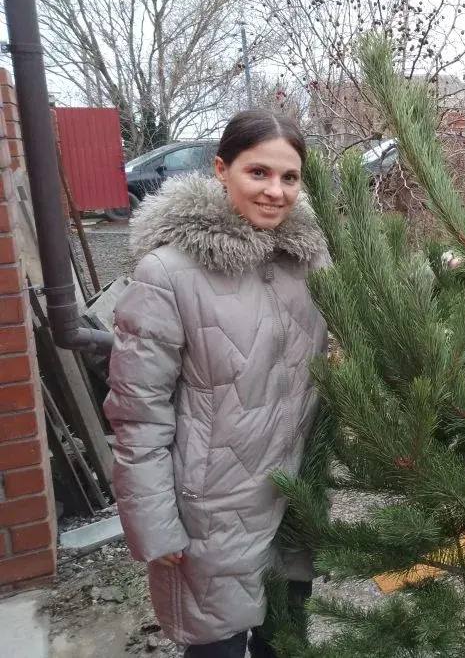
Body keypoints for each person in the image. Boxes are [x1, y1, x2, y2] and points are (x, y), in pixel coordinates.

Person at [103, 110, 330, 656]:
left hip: (295, 496)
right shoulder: (168, 273)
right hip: (211, 513)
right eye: (259, 173)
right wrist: (154, 524)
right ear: (222, 169)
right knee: (217, 648)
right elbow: (138, 413)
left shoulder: (309, 261)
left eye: (290, 177)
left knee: (286, 642)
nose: (276, 191)